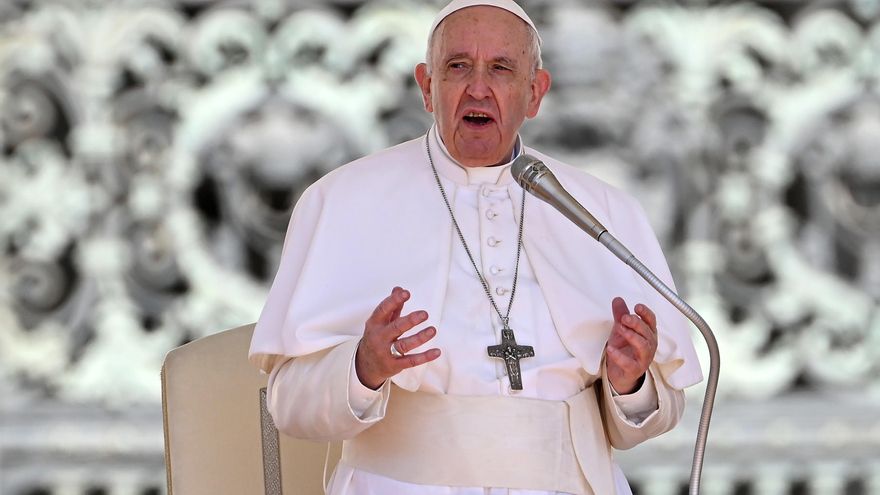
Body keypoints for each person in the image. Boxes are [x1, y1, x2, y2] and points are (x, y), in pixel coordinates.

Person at [249, 1, 703, 493]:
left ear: (535, 92)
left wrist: (629, 382)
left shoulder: (601, 212)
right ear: (427, 86)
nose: (478, 87)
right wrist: (364, 367)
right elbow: (288, 404)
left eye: (502, 68)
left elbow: (657, 411)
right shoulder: (341, 200)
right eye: (457, 66)